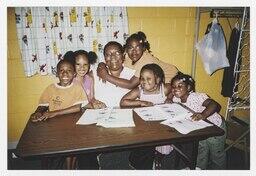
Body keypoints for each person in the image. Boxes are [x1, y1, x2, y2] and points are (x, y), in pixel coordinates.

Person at [30, 59, 99, 169]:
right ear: (57, 73)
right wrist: (38, 112)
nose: (65, 73)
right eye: (61, 70)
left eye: (69, 70)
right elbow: (43, 105)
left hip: (74, 126)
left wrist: (53, 113)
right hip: (55, 127)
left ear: (74, 74)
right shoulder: (51, 88)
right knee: (52, 158)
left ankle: (70, 167)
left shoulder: (77, 88)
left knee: (72, 147)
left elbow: (77, 108)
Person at [120, 63, 173, 169]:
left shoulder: (164, 89)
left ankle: (158, 157)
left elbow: (173, 90)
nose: (144, 82)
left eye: (148, 79)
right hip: (145, 126)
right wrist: (140, 102)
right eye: (142, 78)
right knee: (143, 145)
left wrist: (169, 98)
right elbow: (123, 102)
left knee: (164, 146)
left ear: (157, 80)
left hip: (161, 125)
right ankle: (139, 161)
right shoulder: (139, 91)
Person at [170, 73, 226, 170]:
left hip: (215, 128)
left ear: (188, 88)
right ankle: (199, 168)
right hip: (200, 129)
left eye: (180, 86)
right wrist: (168, 98)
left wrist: (203, 115)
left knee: (217, 155)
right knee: (201, 150)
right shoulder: (176, 99)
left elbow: (214, 104)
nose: (176, 89)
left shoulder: (196, 97)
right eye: (173, 87)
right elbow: (172, 94)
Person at [97, 31, 178, 89]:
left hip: (172, 79)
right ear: (126, 50)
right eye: (130, 48)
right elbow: (113, 60)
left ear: (143, 48)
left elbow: (131, 84)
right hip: (156, 82)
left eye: (138, 47)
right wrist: (102, 65)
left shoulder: (147, 60)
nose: (134, 51)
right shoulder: (128, 57)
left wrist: (106, 76)